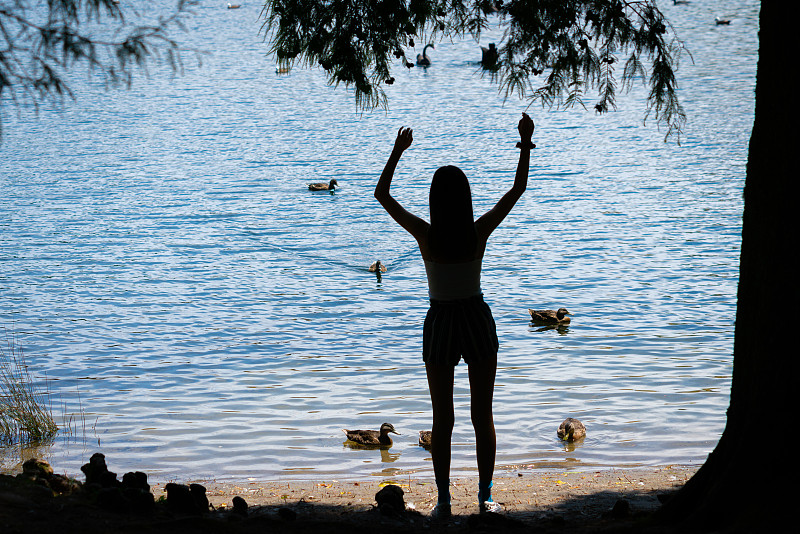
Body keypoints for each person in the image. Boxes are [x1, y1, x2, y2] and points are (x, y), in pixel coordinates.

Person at [374, 113, 535, 518]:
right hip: (475, 319)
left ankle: (444, 502)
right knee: (483, 415)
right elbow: (517, 189)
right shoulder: (477, 231)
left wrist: (397, 152)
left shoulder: (425, 234)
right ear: (466, 200)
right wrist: (525, 143)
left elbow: (382, 195)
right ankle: (485, 497)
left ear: (434, 201)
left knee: (442, 419)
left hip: (442, 321)